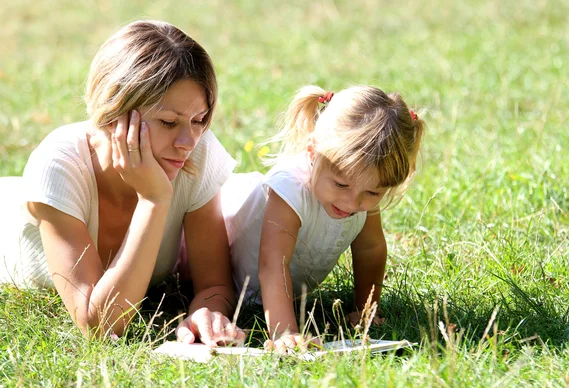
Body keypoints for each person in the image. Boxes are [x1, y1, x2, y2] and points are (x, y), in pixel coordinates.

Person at [0, 20, 245, 346]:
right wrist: (154, 200)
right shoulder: (57, 167)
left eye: (199, 120)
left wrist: (207, 309)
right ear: (115, 111)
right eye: (169, 122)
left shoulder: (196, 155)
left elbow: (214, 285)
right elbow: (99, 325)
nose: (188, 141)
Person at [221, 85, 425, 352]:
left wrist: (365, 310)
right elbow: (273, 263)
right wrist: (286, 332)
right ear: (312, 153)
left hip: (264, 292)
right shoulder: (290, 189)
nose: (353, 203)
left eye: (373, 192)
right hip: (211, 257)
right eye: (341, 185)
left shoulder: (359, 193)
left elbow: (371, 250)